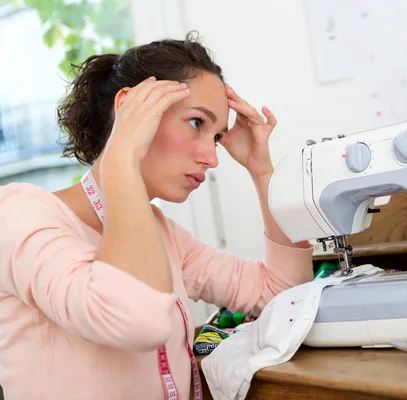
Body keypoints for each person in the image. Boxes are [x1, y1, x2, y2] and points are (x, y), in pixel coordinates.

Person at [0, 31, 314, 399]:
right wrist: (122, 154)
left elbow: (282, 293)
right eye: (197, 123)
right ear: (130, 109)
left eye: (216, 138)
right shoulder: (19, 213)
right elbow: (135, 322)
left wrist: (262, 171)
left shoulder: (162, 233)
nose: (212, 159)